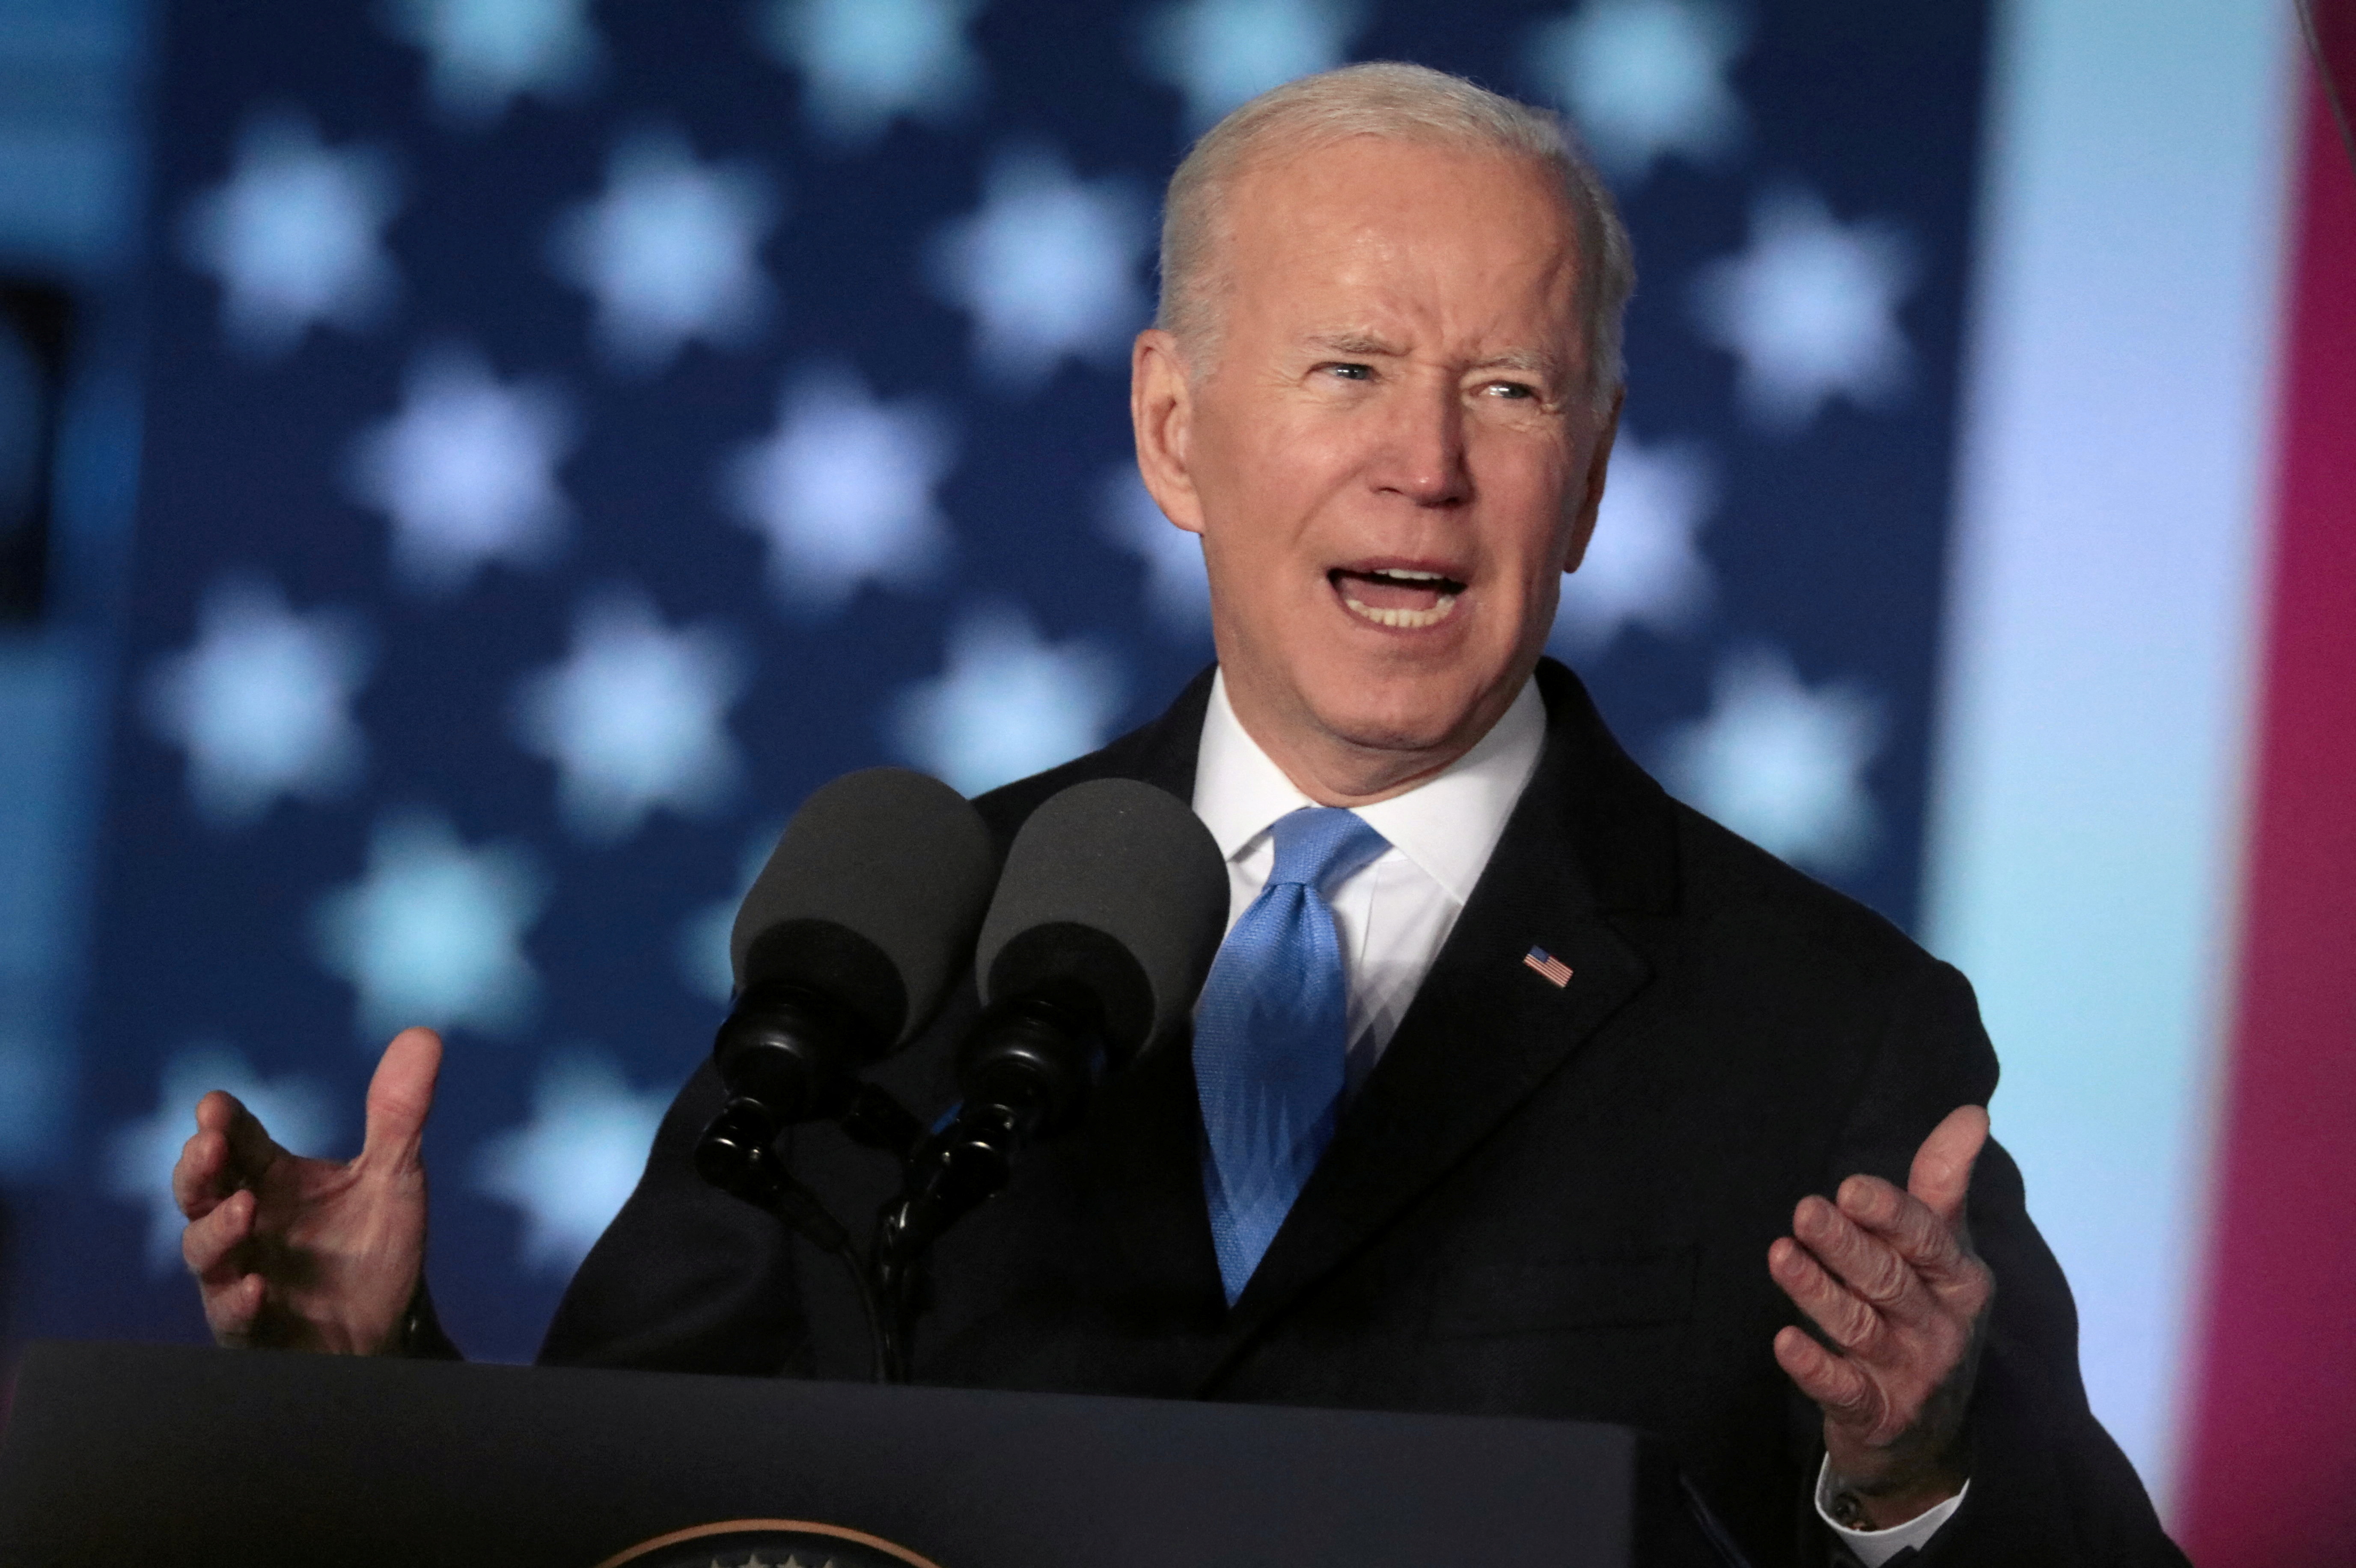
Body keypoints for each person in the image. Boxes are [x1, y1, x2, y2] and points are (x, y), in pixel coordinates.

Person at [173, 63, 2186, 1567]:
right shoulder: (898, 938)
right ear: (1170, 430)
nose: (1424, 466)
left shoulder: (1823, 1023)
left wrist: (1910, 1475)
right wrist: (383, 1378)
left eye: (1508, 391)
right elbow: (632, 1512)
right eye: (1347, 368)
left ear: (1587, 482)